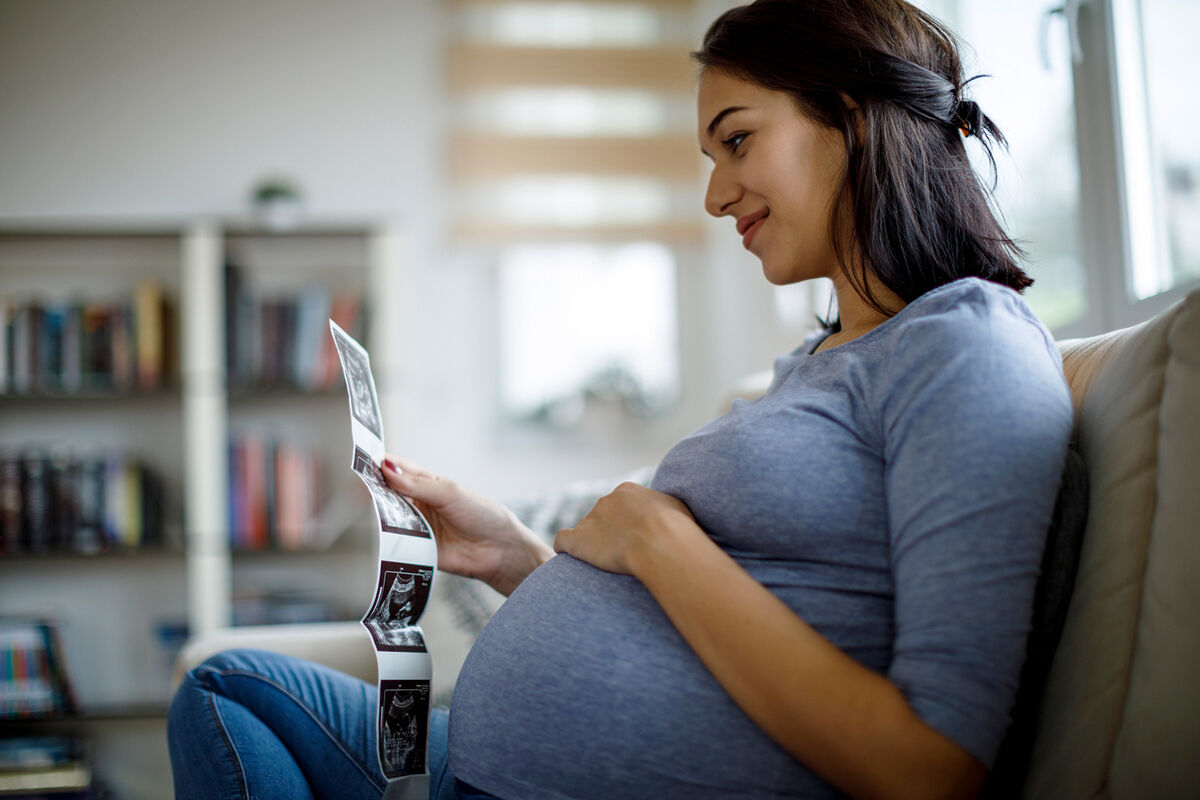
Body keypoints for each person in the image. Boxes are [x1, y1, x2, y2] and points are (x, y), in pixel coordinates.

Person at [167, 1, 1073, 798]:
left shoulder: (968, 346)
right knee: (230, 688)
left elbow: (932, 769)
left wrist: (656, 536)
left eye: (738, 139)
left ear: (851, 116)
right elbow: (730, 615)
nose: (717, 196)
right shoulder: (818, 359)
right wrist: (513, 556)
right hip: (477, 762)